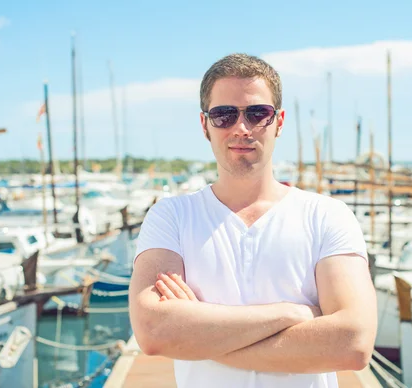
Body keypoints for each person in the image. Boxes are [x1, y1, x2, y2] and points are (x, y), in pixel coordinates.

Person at [129, 53, 377, 388]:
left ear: (279, 121)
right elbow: (154, 331)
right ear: (205, 125)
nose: (241, 128)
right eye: (224, 115)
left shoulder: (327, 216)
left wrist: (199, 336)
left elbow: (353, 343)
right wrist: (292, 314)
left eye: (257, 113)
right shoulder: (171, 216)